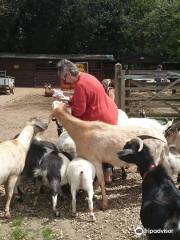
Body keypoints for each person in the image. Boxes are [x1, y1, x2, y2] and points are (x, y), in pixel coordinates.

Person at [57, 59, 118, 183]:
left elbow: (79, 111)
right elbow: (81, 98)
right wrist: (68, 99)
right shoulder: (87, 76)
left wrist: (66, 111)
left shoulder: (80, 85)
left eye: (64, 79)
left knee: (91, 143)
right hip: (110, 112)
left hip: (101, 120)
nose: (65, 81)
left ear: (68, 74)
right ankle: (108, 170)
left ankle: (101, 172)